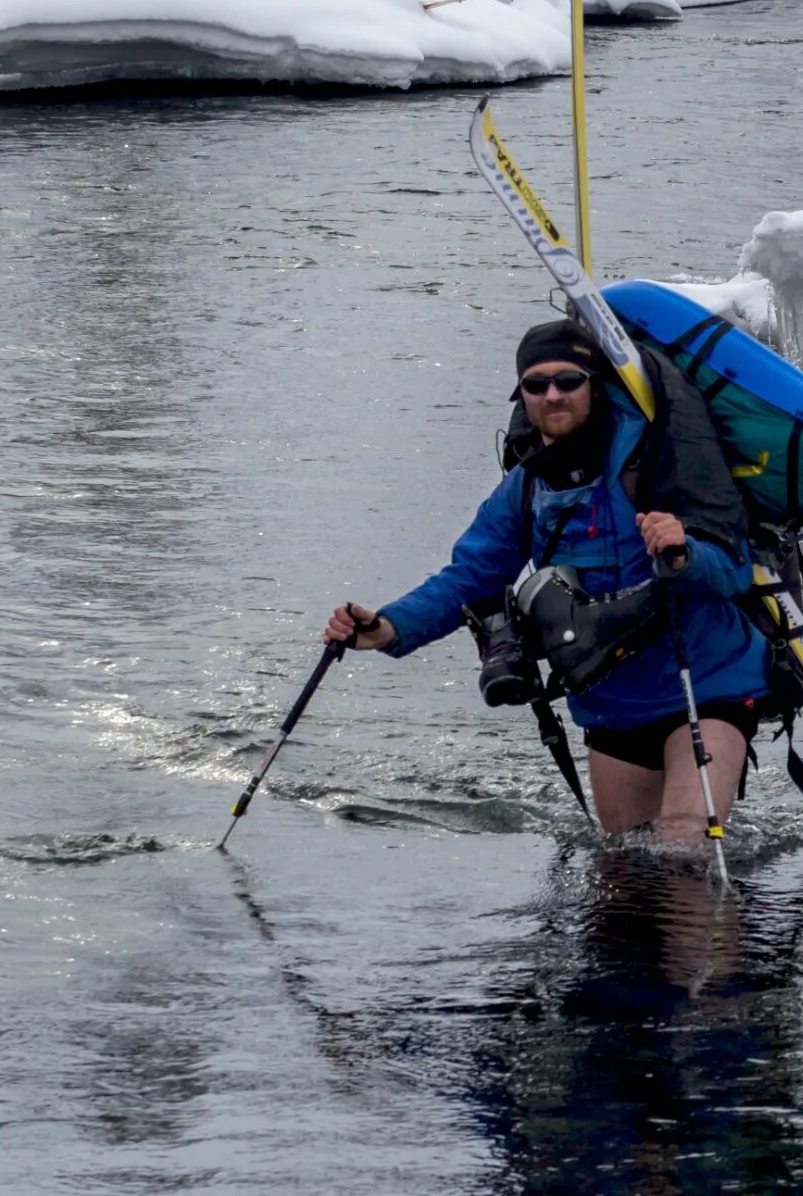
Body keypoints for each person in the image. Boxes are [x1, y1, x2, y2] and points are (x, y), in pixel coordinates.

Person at [327, 319, 768, 839]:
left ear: (594, 385)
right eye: (536, 385)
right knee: (623, 877)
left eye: (568, 380)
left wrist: (682, 552)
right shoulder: (527, 488)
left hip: (706, 684)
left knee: (686, 840)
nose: (553, 394)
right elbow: (468, 578)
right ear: (522, 397)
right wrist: (388, 628)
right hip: (612, 707)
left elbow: (733, 571)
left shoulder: (658, 458)